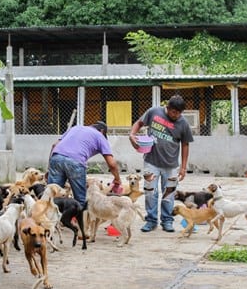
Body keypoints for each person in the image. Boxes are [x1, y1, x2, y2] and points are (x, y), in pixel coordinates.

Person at [129, 95, 193, 233]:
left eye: (179, 113)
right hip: (151, 162)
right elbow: (139, 123)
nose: (176, 115)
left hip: (171, 165)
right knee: (150, 192)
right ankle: (151, 221)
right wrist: (132, 135)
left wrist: (183, 167)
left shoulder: (183, 123)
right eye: (174, 112)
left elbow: (186, 145)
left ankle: (167, 220)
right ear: (168, 108)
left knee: (169, 194)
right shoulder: (154, 112)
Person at [47, 121, 122, 209]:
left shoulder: (75, 128)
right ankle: (79, 220)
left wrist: (49, 167)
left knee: (52, 194)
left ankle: (49, 220)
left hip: (56, 157)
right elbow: (112, 164)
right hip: (75, 162)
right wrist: (117, 179)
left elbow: (54, 145)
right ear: (102, 131)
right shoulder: (100, 136)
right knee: (80, 200)